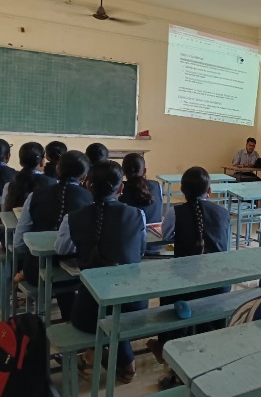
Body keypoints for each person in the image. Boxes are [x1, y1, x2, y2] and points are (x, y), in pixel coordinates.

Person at [55, 160, 147, 383]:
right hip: (135, 309)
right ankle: (122, 362)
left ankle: (91, 357)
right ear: (121, 188)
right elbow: (140, 251)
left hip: (88, 312)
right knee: (116, 307)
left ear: (87, 185)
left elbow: (61, 250)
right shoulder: (138, 215)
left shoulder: (73, 218)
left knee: (101, 306)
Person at [145, 167, 230, 382]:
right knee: (202, 294)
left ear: (182, 191)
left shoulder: (176, 212)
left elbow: (167, 235)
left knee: (168, 292)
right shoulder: (222, 212)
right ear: (209, 191)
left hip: (185, 283)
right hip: (219, 285)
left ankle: (167, 345)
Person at [14, 150, 92, 319]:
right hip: (76, 272)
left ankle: (40, 323)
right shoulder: (89, 199)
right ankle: (69, 319)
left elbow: (19, 241)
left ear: (57, 168)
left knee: (51, 269)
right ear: (84, 177)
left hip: (36, 270)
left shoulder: (35, 195)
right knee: (63, 276)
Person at [3, 142, 55, 211]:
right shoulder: (52, 183)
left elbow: (4, 211)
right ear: (42, 162)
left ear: (21, 162)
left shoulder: (10, 185)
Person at [118, 153, 162, 224]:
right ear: (145, 171)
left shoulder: (120, 188)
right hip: (155, 230)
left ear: (123, 171)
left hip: (132, 230)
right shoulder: (156, 185)